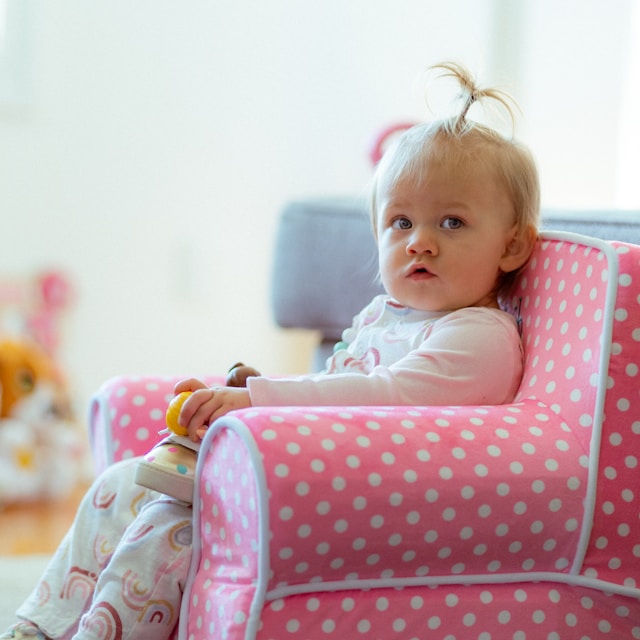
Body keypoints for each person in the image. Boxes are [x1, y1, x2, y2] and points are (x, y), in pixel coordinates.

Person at [2, 61, 540, 640]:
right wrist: (247, 394)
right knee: (125, 483)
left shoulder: (478, 334)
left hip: (367, 507)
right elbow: (337, 381)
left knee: (164, 534)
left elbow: (385, 398)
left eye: (452, 222)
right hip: (309, 478)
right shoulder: (384, 316)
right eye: (400, 222)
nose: (420, 242)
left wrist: (256, 401)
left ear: (512, 246)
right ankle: (38, 627)